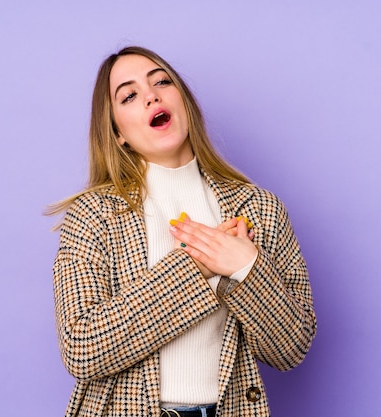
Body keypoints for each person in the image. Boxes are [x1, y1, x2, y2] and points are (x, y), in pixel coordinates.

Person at [48, 45, 317, 417]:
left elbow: (291, 349)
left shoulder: (259, 208)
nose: (151, 95)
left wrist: (246, 268)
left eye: (162, 81)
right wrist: (195, 268)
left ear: (184, 102)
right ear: (117, 132)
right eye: (128, 95)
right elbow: (82, 349)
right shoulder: (94, 215)